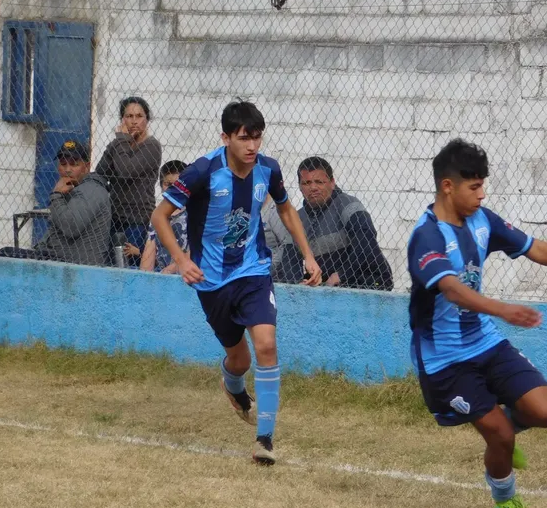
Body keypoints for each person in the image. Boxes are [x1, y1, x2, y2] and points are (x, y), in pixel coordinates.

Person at [408, 139, 547, 508]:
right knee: (499, 433)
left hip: (484, 340)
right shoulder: (426, 236)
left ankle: (503, 438)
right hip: (444, 358)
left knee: (546, 410)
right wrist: (502, 309)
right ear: (447, 186)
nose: (482, 194)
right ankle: (506, 499)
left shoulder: (482, 221)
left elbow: (535, 248)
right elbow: (451, 289)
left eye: (483, 185)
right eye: (473, 187)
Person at [149, 100, 322, 464]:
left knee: (267, 345)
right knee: (239, 359)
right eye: (244, 138)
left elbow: (286, 208)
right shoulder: (202, 172)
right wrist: (181, 260)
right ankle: (232, 384)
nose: (252, 146)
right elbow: (160, 215)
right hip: (212, 282)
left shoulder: (268, 170)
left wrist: (308, 254)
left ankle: (265, 440)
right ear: (226, 137)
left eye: (257, 138)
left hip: (254, 272)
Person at [274, 157, 393, 290]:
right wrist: (297, 285)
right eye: (306, 183)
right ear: (300, 187)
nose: (313, 187)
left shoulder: (348, 205)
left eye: (319, 182)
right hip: (328, 288)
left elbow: (367, 243)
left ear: (332, 183)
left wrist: (342, 274)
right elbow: (289, 259)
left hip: (369, 281)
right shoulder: (298, 218)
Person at [0, 139, 111, 266]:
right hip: (60, 260)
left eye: (74, 165)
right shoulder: (72, 190)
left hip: (77, 265)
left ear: (86, 167)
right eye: (63, 164)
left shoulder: (91, 190)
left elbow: (70, 227)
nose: (67, 170)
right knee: (5, 253)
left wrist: (56, 195)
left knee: (7, 255)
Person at [95, 96, 162, 266]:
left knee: (131, 267)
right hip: (115, 217)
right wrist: (119, 141)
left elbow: (126, 171)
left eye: (139, 116)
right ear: (122, 119)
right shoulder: (121, 143)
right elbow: (101, 171)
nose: (134, 121)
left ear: (147, 120)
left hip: (137, 221)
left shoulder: (151, 146)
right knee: (111, 266)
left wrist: (120, 141)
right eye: (129, 116)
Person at [140, 161, 188, 274]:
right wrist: (143, 277)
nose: (173, 190)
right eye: (168, 185)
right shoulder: (157, 215)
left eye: (177, 185)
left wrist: (172, 269)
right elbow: (149, 251)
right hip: (164, 275)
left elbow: (198, 251)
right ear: (161, 186)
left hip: (188, 273)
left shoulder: (194, 213)